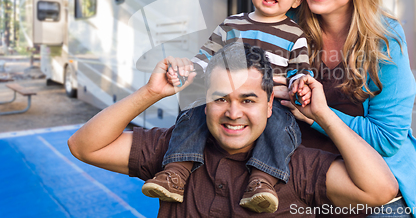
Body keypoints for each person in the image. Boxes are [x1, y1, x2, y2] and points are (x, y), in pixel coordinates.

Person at [68, 43, 399, 217]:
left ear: (270, 105)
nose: (233, 113)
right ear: (205, 103)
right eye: (220, 98)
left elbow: (379, 190)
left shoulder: (294, 166)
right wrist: (151, 93)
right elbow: (84, 146)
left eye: (248, 99)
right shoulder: (175, 152)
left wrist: (324, 116)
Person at [142, 0, 314, 213]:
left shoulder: (295, 35)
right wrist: (188, 70)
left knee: (281, 126)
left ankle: (262, 181)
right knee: (193, 113)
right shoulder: (231, 25)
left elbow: (300, 71)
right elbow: (205, 56)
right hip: (225, 97)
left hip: (270, 104)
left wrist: (300, 84)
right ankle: (176, 172)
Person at [275, 0, 416, 218]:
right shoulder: (286, 23)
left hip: (371, 182)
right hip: (302, 172)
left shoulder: (384, 39)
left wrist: (317, 114)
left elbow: (386, 139)